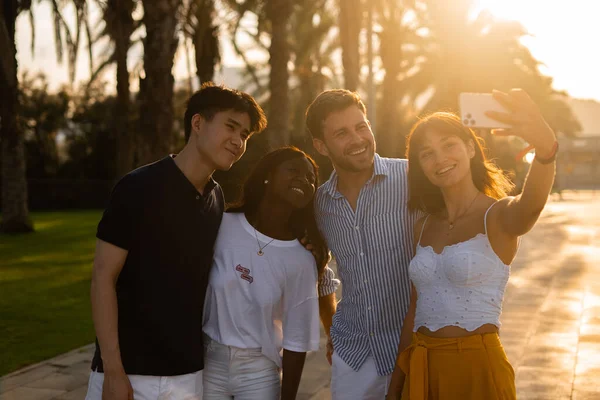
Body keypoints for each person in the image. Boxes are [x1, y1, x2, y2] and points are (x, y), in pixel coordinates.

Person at [85, 82, 267, 400]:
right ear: (197, 123)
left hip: (189, 377)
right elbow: (103, 277)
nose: (238, 141)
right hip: (129, 375)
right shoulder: (137, 187)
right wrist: (113, 371)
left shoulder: (216, 198)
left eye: (245, 135)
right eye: (231, 127)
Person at [386, 89, 558, 399]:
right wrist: (395, 387)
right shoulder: (422, 226)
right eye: (427, 153)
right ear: (420, 166)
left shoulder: (498, 215)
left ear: (470, 148)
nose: (440, 159)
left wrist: (545, 150)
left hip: (477, 369)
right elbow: (415, 308)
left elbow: (530, 206)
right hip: (423, 368)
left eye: (448, 145)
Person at [305, 89, 420, 399]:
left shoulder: (412, 179)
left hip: (416, 350)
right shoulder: (319, 205)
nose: (357, 139)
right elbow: (320, 273)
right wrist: (334, 333)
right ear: (321, 146)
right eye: (341, 133)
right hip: (354, 357)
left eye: (361, 126)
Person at [202, 147, 338, 399]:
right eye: (294, 171)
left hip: (259, 371)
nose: (304, 180)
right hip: (210, 362)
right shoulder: (222, 225)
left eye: (311, 179)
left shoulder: (302, 258)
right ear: (267, 176)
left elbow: (296, 342)